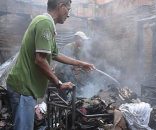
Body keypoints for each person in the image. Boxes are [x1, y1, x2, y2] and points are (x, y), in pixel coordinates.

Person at [6, 0, 95, 130]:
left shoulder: (48, 25)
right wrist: (59, 83)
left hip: (26, 88)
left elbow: (55, 54)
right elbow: (40, 60)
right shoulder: (45, 22)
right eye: (68, 9)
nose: (69, 14)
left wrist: (81, 63)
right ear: (60, 6)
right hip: (23, 88)